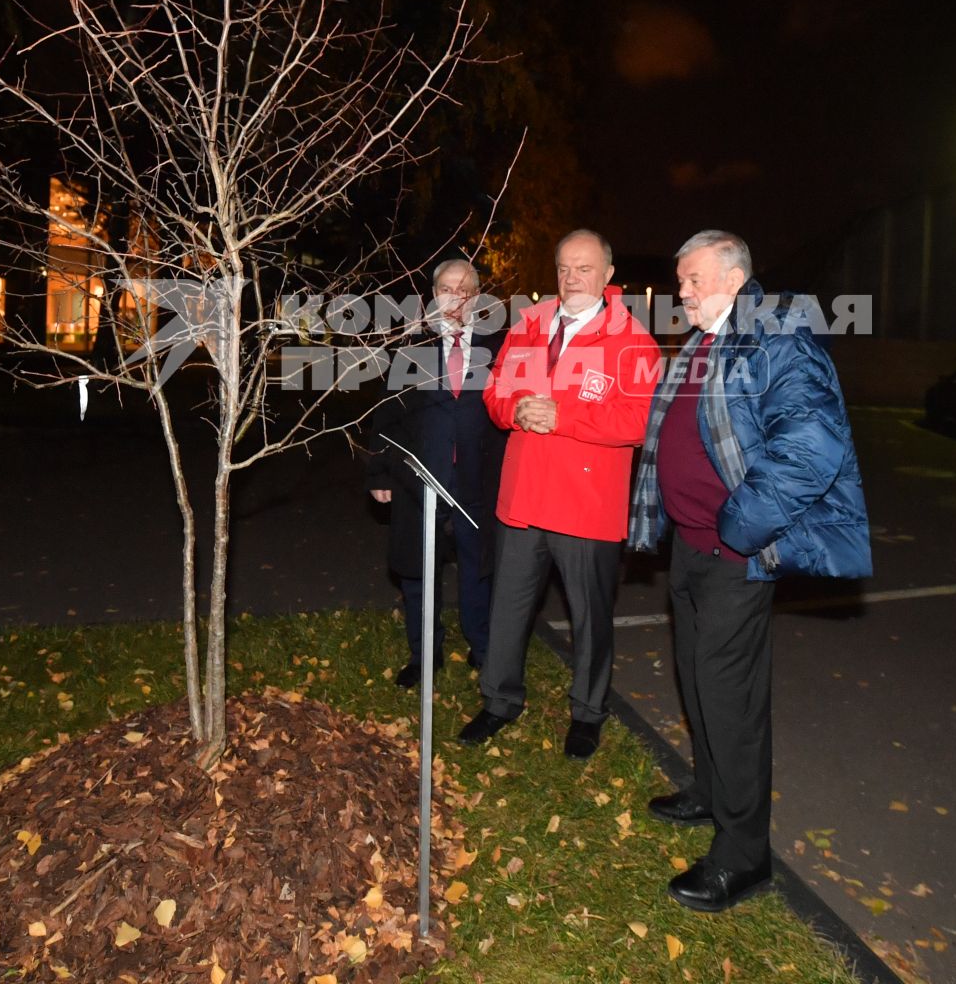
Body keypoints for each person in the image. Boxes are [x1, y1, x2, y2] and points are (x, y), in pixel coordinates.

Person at [625, 230, 871, 913]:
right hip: (692, 551)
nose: (683, 292)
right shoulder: (707, 342)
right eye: (681, 281)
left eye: (693, 278)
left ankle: (744, 856)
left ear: (734, 279)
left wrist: (738, 526)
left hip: (733, 554)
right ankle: (710, 791)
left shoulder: (778, 337)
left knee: (730, 700)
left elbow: (812, 448)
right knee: (698, 681)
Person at [458, 229, 657, 759]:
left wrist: (566, 416)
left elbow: (639, 420)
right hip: (523, 495)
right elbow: (497, 388)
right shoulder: (530, 324)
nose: (573, 278)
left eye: (585, 268)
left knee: (590, 616)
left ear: (608, 275)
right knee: (508, 606)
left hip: (586, 504)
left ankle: (588, 713)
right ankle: (499, 700)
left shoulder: (632, 339)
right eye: (565, 268)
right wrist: (512, 410)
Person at [367, 258, 505, 686]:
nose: (455, 299)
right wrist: (378, 474)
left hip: (477, 485)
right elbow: (384, 417)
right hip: (420, 481)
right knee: (418, 573)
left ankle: (482, 649)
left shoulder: (502, 347)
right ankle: (424, 655)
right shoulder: (409, 348)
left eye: (465, 291)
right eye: (447, 289)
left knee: (478, 570)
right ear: (432, 296)